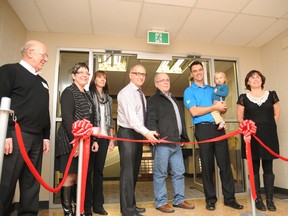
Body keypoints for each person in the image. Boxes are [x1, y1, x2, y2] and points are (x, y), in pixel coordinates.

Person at [183, 61, 243, 211]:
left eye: (200, 70)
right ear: (191, 74)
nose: (198, 73)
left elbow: (220, 107)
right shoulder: (189, 91)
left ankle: (230, 198)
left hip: (218, 128)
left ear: (204, 71)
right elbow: (195, 111)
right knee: (207, 166)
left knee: (225, 165)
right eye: (195, 71)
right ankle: (210, 199)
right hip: (202, 130)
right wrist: (214, 107)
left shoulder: (213, 89)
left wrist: (221, 108)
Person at [0, 40, 50, 215]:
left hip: (37, 138)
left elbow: (45, 111)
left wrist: (46, 136)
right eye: (43, 55)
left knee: (31, 183)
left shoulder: (43, 82)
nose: (45, 59)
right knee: (8, 181)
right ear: (30, 52)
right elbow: (2, 103)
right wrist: (5, 133)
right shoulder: (9, 71)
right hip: (15, 134)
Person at [146, 72, 195, 213]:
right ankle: (161, 202)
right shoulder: (153, 100)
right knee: (160, 174)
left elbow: (180, 121)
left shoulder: (174, 99)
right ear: (156, 84)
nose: (165, 82)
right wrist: (153, 134)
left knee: (179, 172)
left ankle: (179, 200)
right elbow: (150, 120)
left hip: (176, 143)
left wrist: (184, 138)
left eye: (167, 79)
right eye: (162, 80)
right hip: (162, 143)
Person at [55, 62, 98, 216]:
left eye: (87, 73)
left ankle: (78, 209)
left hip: (85, 142)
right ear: (73, 76)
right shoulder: (68, 92)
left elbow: (90, 120)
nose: (84, 75)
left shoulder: (87, 94)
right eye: (80, 72)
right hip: (69, 140)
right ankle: (68, 212)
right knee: (71, 176)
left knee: (81, 176)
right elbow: (67, 119)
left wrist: (93, 141)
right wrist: (76, 142)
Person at [117, 64, 158, 216]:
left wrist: (145, 133)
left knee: (134, 172)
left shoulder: (140, 93)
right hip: (127, 133)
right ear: (130, 75)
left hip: (137, 134)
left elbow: (141, 119)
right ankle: (127, 210)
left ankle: (131, 205)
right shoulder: (126, 93)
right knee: (127, 173)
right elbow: (133, 120)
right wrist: (147, 133)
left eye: (144, 74)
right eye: (137, 73)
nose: (141, 76)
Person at [237, 70, 279, 212]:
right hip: (251, 138)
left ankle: (270, 200)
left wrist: (266, 127)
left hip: (268, 136)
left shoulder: (272, 95)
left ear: (262, 80)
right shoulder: (243, 97)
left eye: (258, 77)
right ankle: (257, 199)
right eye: (251, 77)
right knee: (254, 169)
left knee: (268, 169)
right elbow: (240, 118)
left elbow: (276, 115)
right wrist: (247, 131)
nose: (255, 79)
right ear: (247, 82)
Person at [85, 70, 115, 215]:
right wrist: (93, 138)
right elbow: (88, 118)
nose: (102, 80)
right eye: (99, 77)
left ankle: (98, 205)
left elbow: (110, 122)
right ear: (94, 79)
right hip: (91, 138)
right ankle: (86, 206)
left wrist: (111, 139)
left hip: (104, 138)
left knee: (99, 172)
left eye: (104, 78)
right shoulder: (89, 95)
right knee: (88, 172)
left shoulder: (109, 99)